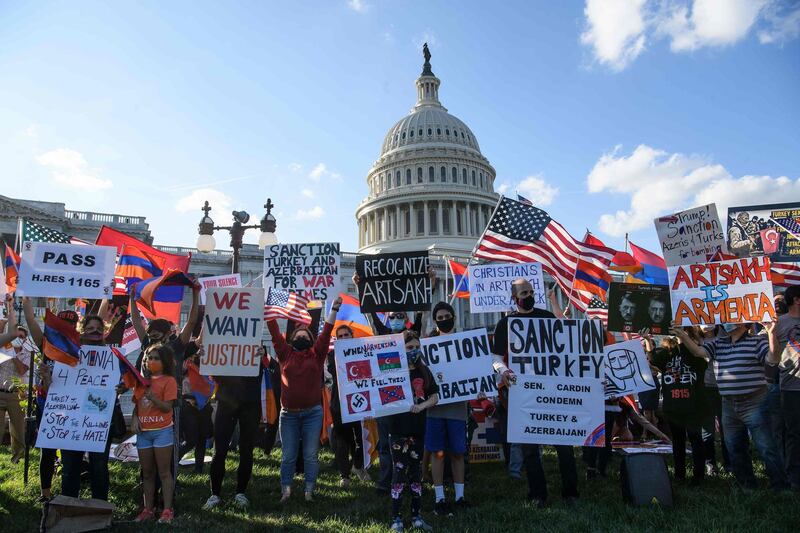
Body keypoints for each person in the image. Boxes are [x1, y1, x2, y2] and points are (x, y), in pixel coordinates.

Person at [491, 278, 578, 507]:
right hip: (524, 392)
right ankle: (538, 494)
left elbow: (569, 335)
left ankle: (571, 492)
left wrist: (553, 301)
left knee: (563, 445)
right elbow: (496, 358)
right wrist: (504, 371)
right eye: (524, 292)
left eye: (531, 291)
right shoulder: (505, 324)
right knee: (529, 448)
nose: (528, 295)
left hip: (552, 389)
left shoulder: (546, 317)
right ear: (514, 298)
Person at [676, 322, 788, 490]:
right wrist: (682, 335)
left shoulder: (757, 341)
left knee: (766, 446)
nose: (728, 324)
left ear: (744, 324)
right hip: (728, 403)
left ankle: (780, 486)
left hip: (755, 402)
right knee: (734, 446)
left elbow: (773, 359)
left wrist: (771, 333)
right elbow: (697, 351)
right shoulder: (718, 343)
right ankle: (746, 485)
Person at [267, 296, 341, 503]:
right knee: (288, 455)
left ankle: (309, 492)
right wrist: (268, 312)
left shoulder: (317, 354)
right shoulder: (285, 354)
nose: (301, 337)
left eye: (305, 335)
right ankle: (286, 491)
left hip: (312, 413)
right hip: (288, 414)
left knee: (310, 455)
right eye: (297, 335)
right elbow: (273, 333)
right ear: (291, 340)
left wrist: (333, 310)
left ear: (310, 340)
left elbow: (325, 334)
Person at [21, 298, 74, 502]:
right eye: (62, 325)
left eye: (70, 325)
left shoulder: (80, 348)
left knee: (69, 450)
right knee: (48, 448)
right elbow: (30, 319)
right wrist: (26, 295)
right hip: (46, 403)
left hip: (70, 404)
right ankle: (46, 493)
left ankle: (69, 493)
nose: (66, 329)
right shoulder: (46, 344)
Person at [60, 314, 116, 501]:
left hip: (99, 420)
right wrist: (46, 376)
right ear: (81, 331)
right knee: (70, 465)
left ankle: (99, 508)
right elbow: (58, 383)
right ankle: (67, 506)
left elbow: (124, 381)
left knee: (99, 465)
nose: (95, 332)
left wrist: (122, 385)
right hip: (72, 418)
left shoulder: (112, 357)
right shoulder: (68, 354)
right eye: (90, 328)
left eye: (99, 329)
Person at [203, 344, 265, 510]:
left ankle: (241, 493)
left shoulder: (258, 346)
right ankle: (215, 494)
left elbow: (269, 368)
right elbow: (214, 375)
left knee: (246, 449)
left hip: (250, 403)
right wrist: (207, 357)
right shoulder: (223, 344)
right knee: (220, 449)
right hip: (226, 400)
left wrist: (263, 357)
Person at [388, 330, 439, 532]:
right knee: (399, 473)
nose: (414, 350)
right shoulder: (392, 370)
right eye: (410, 347)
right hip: (398, 430)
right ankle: (396, 519)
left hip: (418, 430)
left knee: (416, 474)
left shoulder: (424, 371)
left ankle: (417, 516)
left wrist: (423, 405)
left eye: (417, 347)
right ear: (401, 348)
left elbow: (435, 396)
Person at [423, 301, 469, 516]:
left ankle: (460, 496)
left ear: (454, 317)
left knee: (458, 453)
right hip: (435, 407)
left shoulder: (466, 343)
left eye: (446, 316)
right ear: (435, 321)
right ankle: (440, 497)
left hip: (458, 406)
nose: (443, 320)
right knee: (438, 453)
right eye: (439, 318)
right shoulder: (427, 344)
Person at [649, 329, 708, 484]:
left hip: (693, 405)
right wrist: (648, 341)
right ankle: (679, 474)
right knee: (678, 441)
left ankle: (699, 475)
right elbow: (652, 361)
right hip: (673, 406)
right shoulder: (667, 355)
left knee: (696, 439)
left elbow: (702, 362)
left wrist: (687, 341)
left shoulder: (696, 354)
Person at [133, 344, 178, 524]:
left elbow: (168, 407)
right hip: (143, 433)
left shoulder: (169, 381)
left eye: (156, 358)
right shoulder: (141, 381)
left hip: (162, 432)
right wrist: (135, 418)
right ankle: (148, 509)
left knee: (164, 473)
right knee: (147, 473)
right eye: (149, 357)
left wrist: (153, 398)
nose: (152, 361)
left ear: (165, 361)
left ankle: (167, 510)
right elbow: (136, 404)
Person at [327, 324, 369, 487]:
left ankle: (358, 466)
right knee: (342, 440)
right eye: (341, 336)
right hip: (340, 403)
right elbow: (334, 371)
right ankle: (344, 475)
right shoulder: (333, 354)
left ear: (352, 336)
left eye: (346, 335)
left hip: (360, 401)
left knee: (360, 439)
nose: (344, 338)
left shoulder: (362, 351)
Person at [767, 284, 800, 490]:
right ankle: (794, 477)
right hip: (792, 387)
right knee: (794, 433)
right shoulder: (780, 324)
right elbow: (772, 356)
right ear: (797, 299)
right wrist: (770, 333)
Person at [0, 295, 29, 464]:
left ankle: (18, 458)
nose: (16, 339)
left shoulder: (25, 352)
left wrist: (14, 353)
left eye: (20, 337)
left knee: (18, 428)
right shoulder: (3, 347)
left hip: (15, 394)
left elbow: (22, 369)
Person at [179, 341, 214, 474]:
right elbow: (180, 371)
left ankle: (199, 468)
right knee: (191, 440)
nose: (201, 351)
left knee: (202, 438)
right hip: (189, 405)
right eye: (198, 349)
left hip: (205, 405)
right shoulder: (186, 364)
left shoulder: (210, 365)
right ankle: (173, 462)